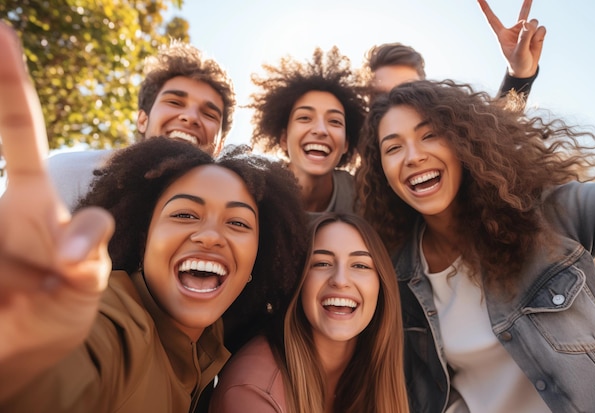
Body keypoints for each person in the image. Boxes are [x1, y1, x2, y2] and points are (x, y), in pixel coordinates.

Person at [0, 22, 308, 412]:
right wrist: (29, 353)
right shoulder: (117, 323)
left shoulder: (216, 345)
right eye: (183, 214)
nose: (210, 236)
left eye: (238, 223)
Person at [356, 79, 595, 412]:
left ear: (461, 142)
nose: (413, 156)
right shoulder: (396, 275)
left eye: (429, 135)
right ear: (382, 169)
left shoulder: (547, 218)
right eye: (393, 147)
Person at [209, 212, 409, 413]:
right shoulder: (252, 390)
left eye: (360, 265)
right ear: (298, 280)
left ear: (381, 286)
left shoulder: (368, 372)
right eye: (322, 263)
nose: (340, 280)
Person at [47, 37, 236, 210]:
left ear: (219, 146)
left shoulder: (230, 214)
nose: (191, 117)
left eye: (209, 114)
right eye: (174, 102)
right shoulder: (63, 176)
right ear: (143, 120)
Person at [248, 47, 367, 216]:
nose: (320, 130)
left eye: (334, 121)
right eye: (304, 118)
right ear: (283, 138)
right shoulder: (255, 191)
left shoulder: (360, 198)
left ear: (346, 144)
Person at [365, 0, 546, 100]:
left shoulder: (449, 152)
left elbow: (498, 132)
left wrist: (519, 77)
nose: (395, 103)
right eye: (380, 96)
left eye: (409, 92)